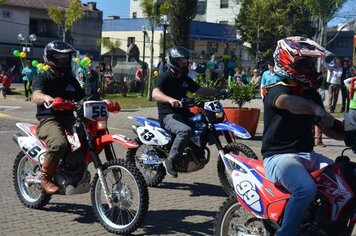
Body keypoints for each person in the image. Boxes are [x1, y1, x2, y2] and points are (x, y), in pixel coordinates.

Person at [262, 36, 344, 236]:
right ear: (287, 62)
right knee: (305, 188)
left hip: (308, 156)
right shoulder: (276, 90)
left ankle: (322, 225)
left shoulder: (311, 94)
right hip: (279, 158)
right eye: (305, 63)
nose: (310, 68)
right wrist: (316, 109)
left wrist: (349, 133)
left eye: (311, 63)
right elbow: (288, 103)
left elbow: (328, 128)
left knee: (344, 181)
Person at [152, 46, 223, 177]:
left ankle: (195, 152)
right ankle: (171, 160)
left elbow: (200, 90)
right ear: (173, 61)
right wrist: (169, 99)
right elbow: (155, 93)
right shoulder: (165, 76)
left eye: (185, 61)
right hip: (168, 115)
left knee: (204, 125)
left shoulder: (184, 78)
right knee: (185, 131)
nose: (184, 63)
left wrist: (218, 91)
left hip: (183, 114)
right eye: (181, 61)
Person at [32, 40, 86, 194]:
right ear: (50, 58)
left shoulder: (70, 80)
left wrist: (101, 100)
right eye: (60, 57)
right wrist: (46, 98)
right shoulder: (43, 77)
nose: (64, 60)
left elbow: (83, 98)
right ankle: (45, 178)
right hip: (49, 120)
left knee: (88, 138)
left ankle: (74, 170)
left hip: (69, 119)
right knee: (59, 144)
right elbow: (36, 95)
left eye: (66, 57)